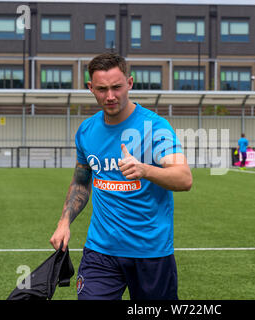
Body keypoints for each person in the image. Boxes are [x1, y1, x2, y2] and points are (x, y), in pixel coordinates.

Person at [49, 52, 192, 300]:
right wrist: (64, 222)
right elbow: (81, 182)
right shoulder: (86, 130)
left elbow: (184, 178)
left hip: (151, 252)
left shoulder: (155, 127)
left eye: (117, 87)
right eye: (102, 89)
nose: (110, 96)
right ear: (90, 88)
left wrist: (145, 169)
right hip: (100, 251)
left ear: (130, 83)